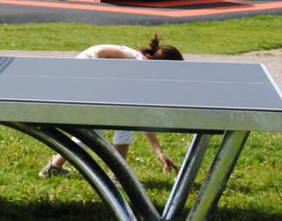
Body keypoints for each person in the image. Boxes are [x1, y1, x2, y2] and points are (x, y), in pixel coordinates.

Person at [39, 36, 183, 178]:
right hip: (81, 77)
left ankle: (53, 168)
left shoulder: (141, 71)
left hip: (84, 80)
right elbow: (101, 51)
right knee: (125, 122)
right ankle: (117, 176)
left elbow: (141, 117)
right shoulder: (137, 63)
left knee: (92, 131)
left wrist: (159, 152)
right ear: (163, 66)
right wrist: (95, 72)